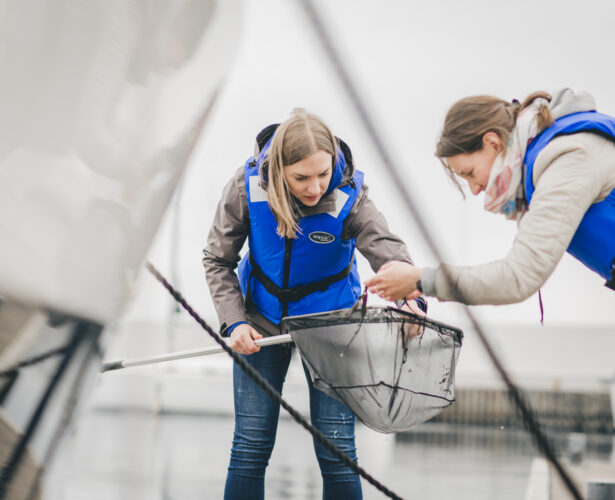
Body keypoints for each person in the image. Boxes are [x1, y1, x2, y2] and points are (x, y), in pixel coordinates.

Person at [202, 109, 426, 500]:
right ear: (278, 170)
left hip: (332, 324)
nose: (315, 187)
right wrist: (234, 323)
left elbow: (386, 250)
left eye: (323, 174)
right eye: (301, 177)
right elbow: (217, 259)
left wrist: (412, 299)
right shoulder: (246, 184)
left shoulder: (348, 194)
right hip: (260, 322)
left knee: (337, 450)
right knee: (250, 446)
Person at [366, 88, 615, 305]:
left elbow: (519, 277)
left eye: (470, 173)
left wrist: (421, 280)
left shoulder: (568, 158)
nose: (474, 189)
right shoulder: (547, 163)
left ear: (493, 142)